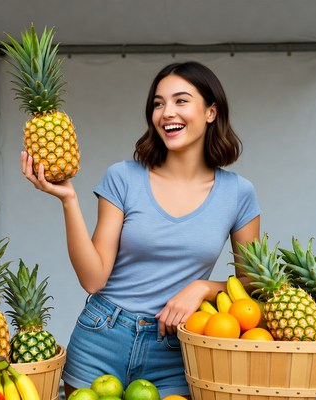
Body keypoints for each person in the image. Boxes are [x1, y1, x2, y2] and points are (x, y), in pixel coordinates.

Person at [21, 61, 261, 398]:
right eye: (158, 103)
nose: (166, 113)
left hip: (175, 350)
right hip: (102, 335)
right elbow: (93, 279)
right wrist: (68, 199)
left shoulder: (238, 193)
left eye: (180, 101)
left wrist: (203, 287)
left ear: (211, 112)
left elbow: (252, 282)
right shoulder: (123, 177)